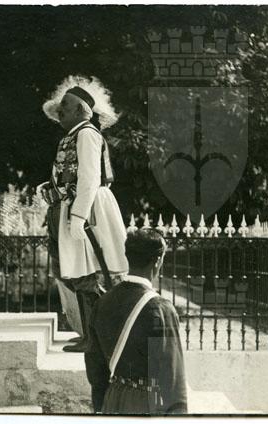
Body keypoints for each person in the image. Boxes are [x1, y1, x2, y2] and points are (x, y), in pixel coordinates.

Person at [40, 75, 128, 352]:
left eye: (66, 105)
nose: (60, 110)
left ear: (81, 110)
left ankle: (97, 338)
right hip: (75, 207)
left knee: (87, 274)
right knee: (77, 272)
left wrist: (78, 217)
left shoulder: (87, 133)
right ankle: (90, 334)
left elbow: (89, 179)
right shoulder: (74, 135)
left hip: (89, 209)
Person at [85, 229, 187, 414]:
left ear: (128, 257)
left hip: (112, 399)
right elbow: (172, 379)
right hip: (146, 403)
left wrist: (102, 409)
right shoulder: (161, 310)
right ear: (157, 261)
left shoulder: (102, 303)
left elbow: (95, 368)